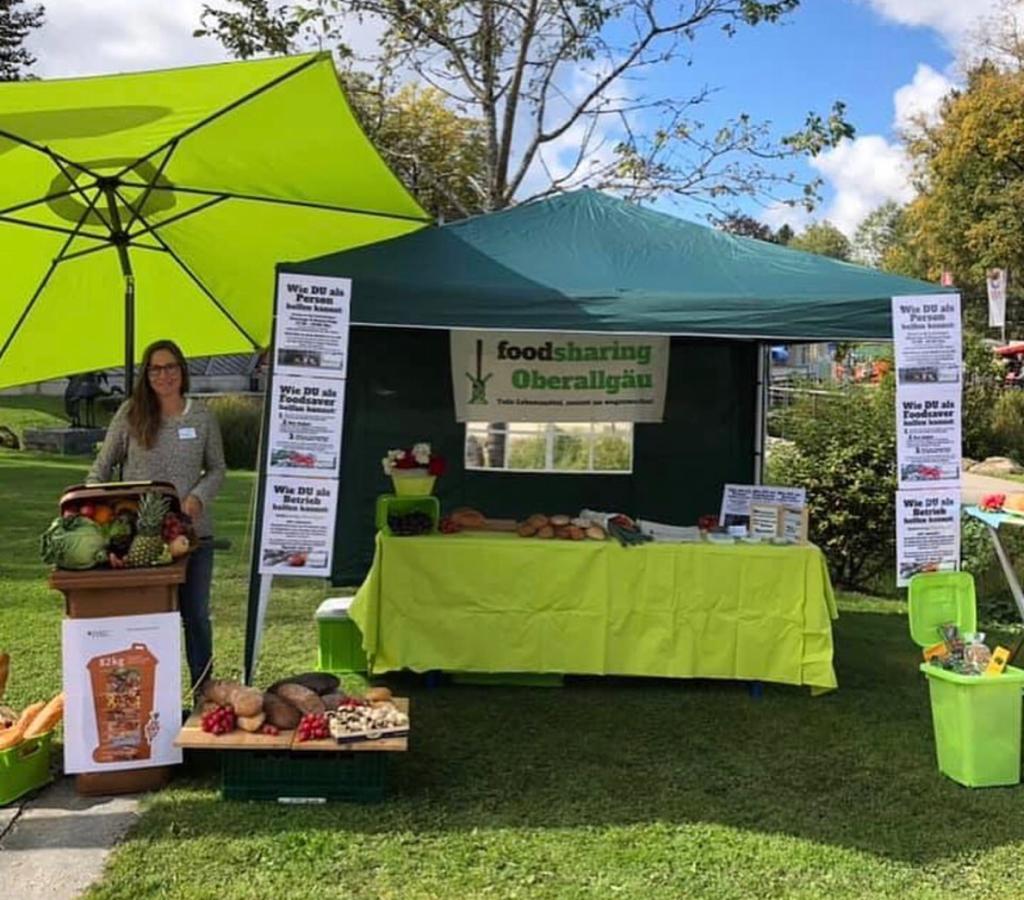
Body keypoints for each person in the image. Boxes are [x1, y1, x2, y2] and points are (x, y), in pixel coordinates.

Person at [88, 340, 226, 692]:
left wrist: (198, 496)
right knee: (147, 620)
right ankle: (150, 697)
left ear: (182, 371)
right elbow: (100, 470)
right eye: (155, 368)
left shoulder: (202, 416)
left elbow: (218, 469)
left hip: (192, 535)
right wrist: (93, 515)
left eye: (170, 367)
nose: (163, 375)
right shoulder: (131, 413)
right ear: (146, 375)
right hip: (140, 540)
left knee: (195, 616)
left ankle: (203, 695)